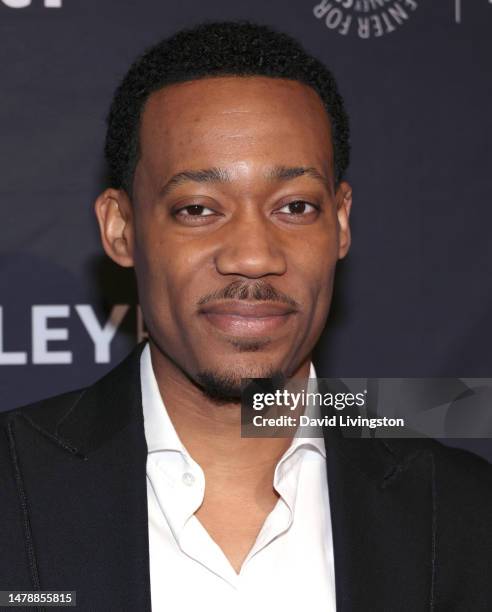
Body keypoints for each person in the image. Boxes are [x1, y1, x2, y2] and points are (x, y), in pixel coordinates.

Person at [1, 20, 491, 612]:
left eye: (296, 206)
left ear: (339, 223)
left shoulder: (468, 515)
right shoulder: (12, 484)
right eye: (199, 208)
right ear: (121, 229)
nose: (254, 256)